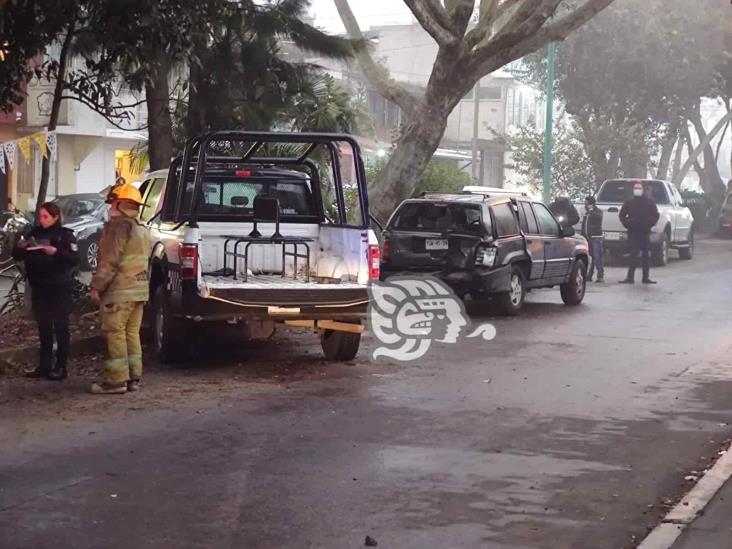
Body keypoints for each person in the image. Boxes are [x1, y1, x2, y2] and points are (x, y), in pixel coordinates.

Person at [89, 184, 151, 395]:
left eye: (112, 204)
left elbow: (109, 261)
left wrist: (97, 286)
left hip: (119, 292)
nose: (109, 209)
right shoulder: (141, 229)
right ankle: (134, 377)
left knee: (115, 333)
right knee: (131, 333)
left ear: (121, 204)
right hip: (139, 290)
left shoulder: (117, 227)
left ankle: (116, 381)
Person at [12, 202, 79, 380]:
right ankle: (44, 365)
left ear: (55, 217)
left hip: (59, 288)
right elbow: (17, 255)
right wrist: (20, 246)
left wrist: (55, 252)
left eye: (46, 217)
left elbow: (74, 259)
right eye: (40, 216)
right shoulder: (34, 234)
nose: (42, 221)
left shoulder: (65, 235)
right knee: (44, 328)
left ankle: (61, 366)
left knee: (61, 327)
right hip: (40, 287)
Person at [618, 181, 660, 284]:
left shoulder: (649, 202)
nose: (637, 190)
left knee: (645, 255)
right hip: (633, 231)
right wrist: (628, 224)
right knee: (633, 254)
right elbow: (622, 215)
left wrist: (649, 224)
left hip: (645, 232)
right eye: (635, 188)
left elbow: (656, 215)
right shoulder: (629, 202)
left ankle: (646, 278)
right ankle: (630, 277)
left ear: (643, 189)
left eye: (639, 188)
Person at [581, 196, 604, 282]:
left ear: (591, 203)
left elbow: (598, 218)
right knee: (590, 257)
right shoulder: (586, 213)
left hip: (596, 237)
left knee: (597, 256)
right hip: (587, 237)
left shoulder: (598, 212)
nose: (586, 205)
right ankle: (589, 275)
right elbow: (584, 225)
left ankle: (600, 275)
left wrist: (592, 212)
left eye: (587, 203)